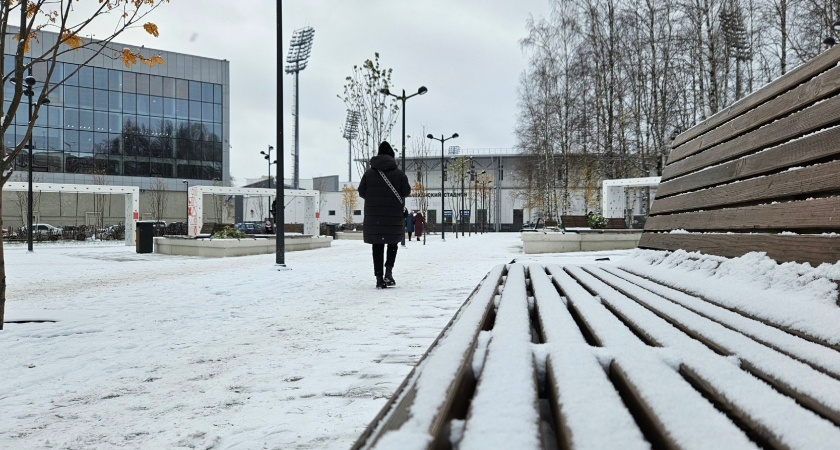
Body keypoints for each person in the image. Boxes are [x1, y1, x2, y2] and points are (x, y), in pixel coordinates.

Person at [357, 141, 411, 289]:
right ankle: (389, 272)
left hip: (374, 217)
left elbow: (361, 192)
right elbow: (406, 191)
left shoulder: (368, 174)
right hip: (393, 216)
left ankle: (379, 278)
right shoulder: (399, 174)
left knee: (377, 246)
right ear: (392, 156)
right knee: (392, 243)